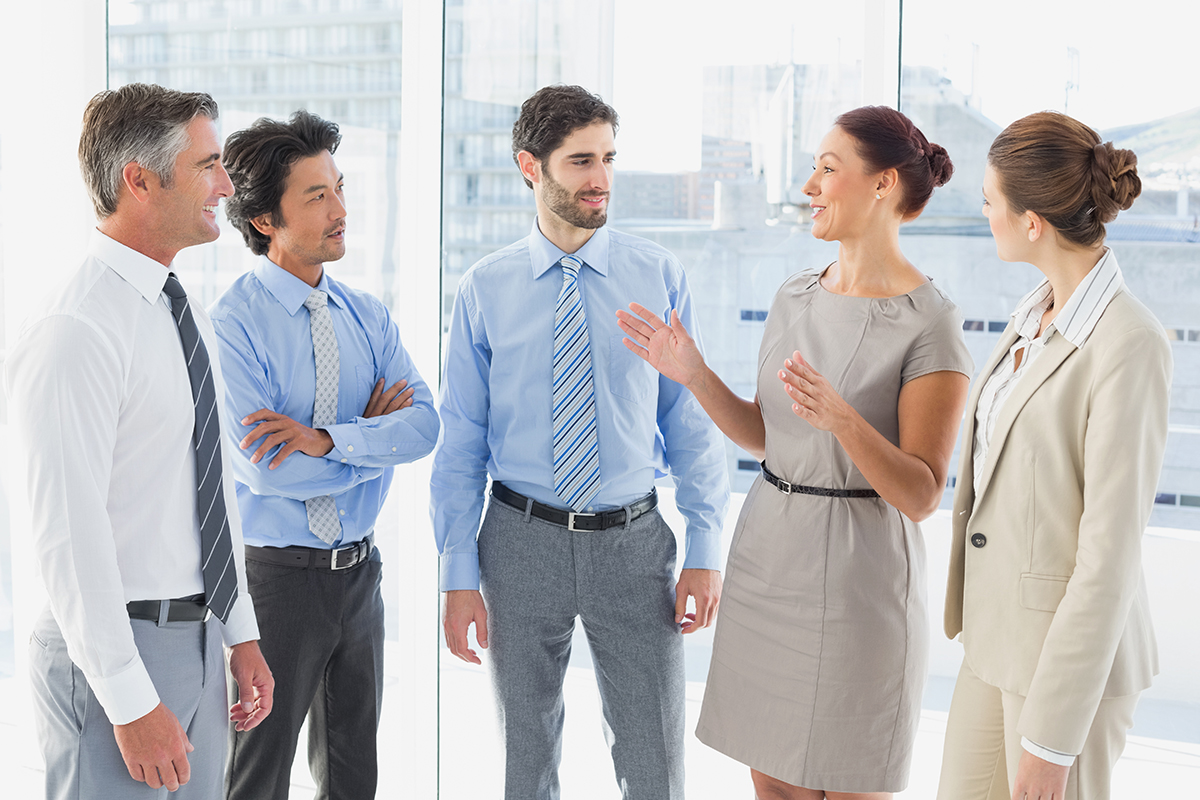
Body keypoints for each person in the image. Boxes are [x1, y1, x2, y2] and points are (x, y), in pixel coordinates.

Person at [619, 106, 972, 799]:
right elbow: (765, 435)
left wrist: (844, 420)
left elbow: (923, 492)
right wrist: (692, 372)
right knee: (773, 784)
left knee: (850, 778)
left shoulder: (931, 323)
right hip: (771, 558)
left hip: (859, 582)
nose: (810, 185)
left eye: (828, 169)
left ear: (883, 184)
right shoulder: (794, 296)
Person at [432, 84, 729, 800]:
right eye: (579, 162)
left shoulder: (658, 275)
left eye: (608, 160)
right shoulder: (485, 288)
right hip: (517, 537)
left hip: (632, 542)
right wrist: (456, 572)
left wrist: (707, 549)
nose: (599, 180)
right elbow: (461, 442)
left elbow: (688, 423)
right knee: (524, 762)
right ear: (531, 167)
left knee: (654, 761)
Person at [5, 83, 274, 799]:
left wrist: (239, 632)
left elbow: (210, 489)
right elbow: (68, 534)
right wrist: (128, 698)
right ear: (140, 179)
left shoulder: (179, 313)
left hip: (197, 641)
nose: (225, 184)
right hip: (114, 656)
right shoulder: (77, 330)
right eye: (207, 166)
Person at [936, 111, 1171, 800]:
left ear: (1031, 221)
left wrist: (1053, 736)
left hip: (1064, 670)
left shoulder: (1130, 342)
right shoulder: (1033, 316)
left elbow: (1109, 558)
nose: (985, 214)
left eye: (989, 202)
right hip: (995, 642)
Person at [211, 110, 439, 800]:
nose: (342, 209)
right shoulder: (232, 326)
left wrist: (330, 439)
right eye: (317, 196)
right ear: (264, 221)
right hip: (274, 584)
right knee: (256, 776)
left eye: (339, 188)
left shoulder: (368, 315)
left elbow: (425, 427)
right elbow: (266, 467)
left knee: (352, 776)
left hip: (360, 576)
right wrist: (374, 441)